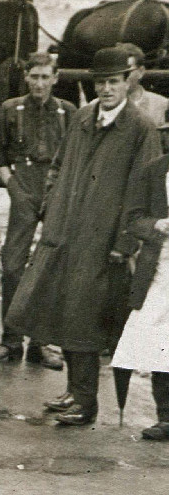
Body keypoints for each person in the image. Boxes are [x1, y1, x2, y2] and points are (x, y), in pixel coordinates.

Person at [9, 46, 161, 426]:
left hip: (104, 240)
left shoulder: (140, 129)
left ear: (128, 81)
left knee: (86, 319)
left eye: (113, 81)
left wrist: (124, 243)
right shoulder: (81, 118)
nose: (106, 89)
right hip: (65, 233)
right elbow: (59, 166)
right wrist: (53, 202)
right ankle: (74, 391)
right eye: (100, 82)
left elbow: (144, 189)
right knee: (63, 311)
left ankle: (86, 402)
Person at [0, 52, 72, 366]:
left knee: (48, 267)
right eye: (34, 77)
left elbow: (73, 160)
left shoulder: (67, 112)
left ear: (55, 78)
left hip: (55, 192)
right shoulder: (10, 109)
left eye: (45, 77)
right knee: (12, 266)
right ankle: (10, 342)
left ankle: (41, 344)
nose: (39, 83)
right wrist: (13, 188)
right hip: (22, 188)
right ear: (27, 78)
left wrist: (61, 192)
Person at [115, 126, 169, 438]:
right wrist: (158, 225)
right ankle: (166, 416)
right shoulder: (155, 171)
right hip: (161, 268)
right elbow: (132, 218)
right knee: (158, 337)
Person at [122, 44, 169, 127]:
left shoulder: (162, 105)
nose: (122, 77)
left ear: (141, 71)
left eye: (127, 72)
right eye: (117, 73)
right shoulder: (95, 107)